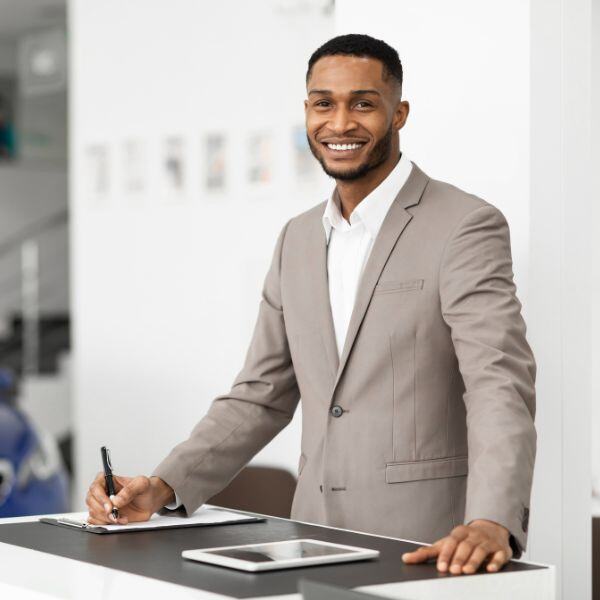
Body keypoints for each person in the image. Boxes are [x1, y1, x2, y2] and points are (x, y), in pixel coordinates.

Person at [86, 34, 536, 576]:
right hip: (312, 538)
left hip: (431, 544)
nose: (340, 123)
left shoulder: (464, 226)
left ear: (399, 114)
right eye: (324, 103)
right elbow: (261, 394)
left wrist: (493, 518)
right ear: (307, 111)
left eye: (363, 103)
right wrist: (163, 485)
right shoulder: (296, 239)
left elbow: (497, 381)